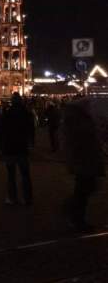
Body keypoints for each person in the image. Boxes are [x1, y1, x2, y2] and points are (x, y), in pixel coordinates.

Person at [62, 97, 106, 232]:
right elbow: (85, 140)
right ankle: (75, 216)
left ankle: (74, 213)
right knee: (84, 189)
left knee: (85, 188)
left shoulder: (78, 120)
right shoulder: (80, 122)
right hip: (84, 160)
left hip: (85, 160)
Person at [1, 92, 34, 206]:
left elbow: (3, 130)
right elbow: (31, 130)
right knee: (25, 174)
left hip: (10, 148)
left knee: (11, 175)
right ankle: (27, 198)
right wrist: (30, 143)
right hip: (22, 147)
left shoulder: (7, 113)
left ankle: (12, 198)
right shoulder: (26, 113)